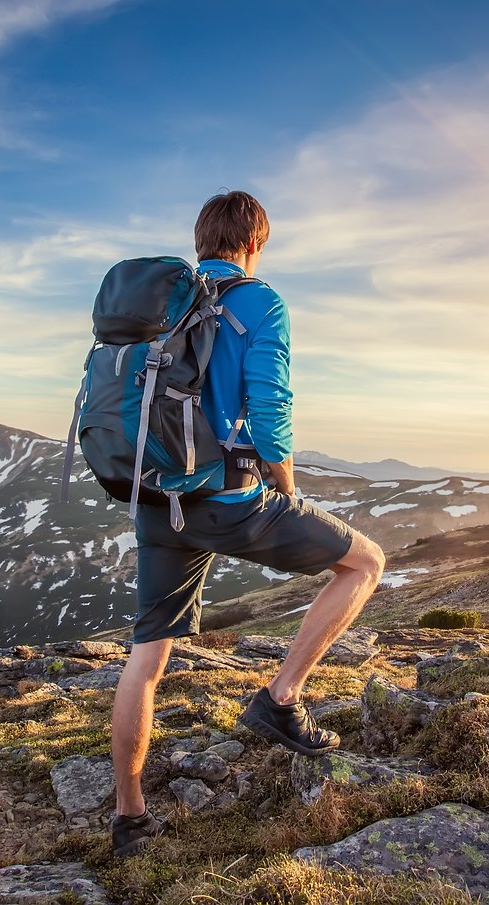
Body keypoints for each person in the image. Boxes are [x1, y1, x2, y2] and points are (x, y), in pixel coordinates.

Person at [108, 190, 386, 857]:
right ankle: (280, 698)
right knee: (366, 561)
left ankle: (129, 818)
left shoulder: (162, 308)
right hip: (228, 502)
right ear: (255, 243)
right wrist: (284, 491)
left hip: (154, 500)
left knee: (146, 660)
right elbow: (270, 415)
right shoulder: (260, 303)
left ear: (202, 239)